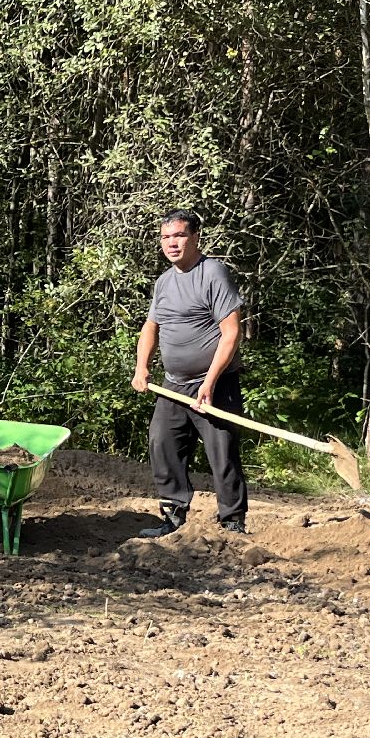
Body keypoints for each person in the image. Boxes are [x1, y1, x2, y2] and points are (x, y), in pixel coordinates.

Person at [131, 209, 249, 536]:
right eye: (166, 237)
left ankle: (232, 524)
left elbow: (231, 333)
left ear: (196, 237)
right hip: (174, 386)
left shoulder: (213, 273)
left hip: (215, 383)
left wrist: (210, 382)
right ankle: (172, 516)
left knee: (222, 454)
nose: (172, 243)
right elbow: (150, 328)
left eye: (179, 235)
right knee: (162, 442)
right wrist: (142, 368)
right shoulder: (164, 281)